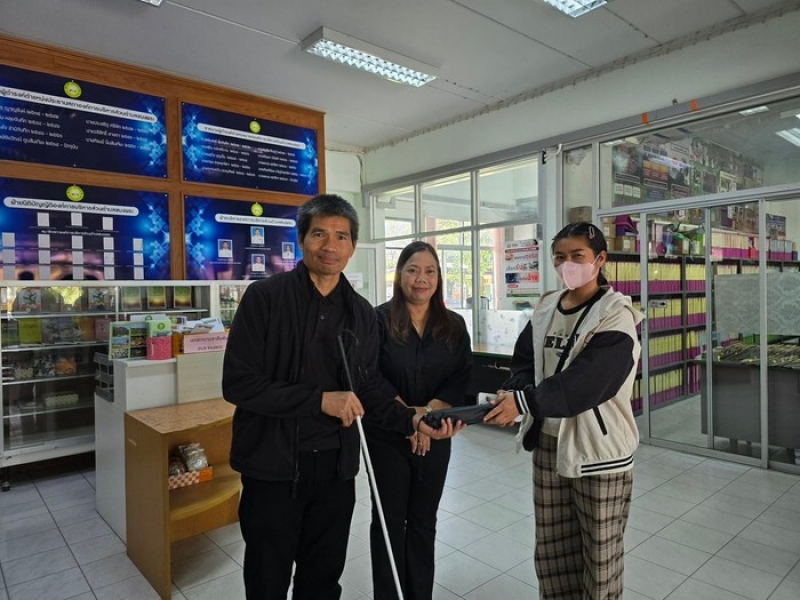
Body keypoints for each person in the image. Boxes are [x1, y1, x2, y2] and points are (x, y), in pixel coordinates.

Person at [222, 194, 464, 600]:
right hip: (272, 465)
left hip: (335, 469)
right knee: (267, 578)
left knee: (322, 579)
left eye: (341, 236)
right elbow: (238, 384)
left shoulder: (362, 314)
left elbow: (368, 388)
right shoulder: (264, 298)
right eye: (319, 234)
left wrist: (412, 420)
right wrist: (319, 399)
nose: (330, 246)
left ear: (352, 246)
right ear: (302, 239)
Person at [484, 221, 642, 600]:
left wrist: (525, 402)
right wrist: (515, 392)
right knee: (553, 552)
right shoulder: (546, 307)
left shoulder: (616, 313)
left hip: (599, 452)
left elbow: (589, 382)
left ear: (599, 259)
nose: (567, 264)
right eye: (559, 257)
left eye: (577, 256)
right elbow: (525, 362)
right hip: (549, 445)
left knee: (599, 558)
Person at [365, 241, 472, 600]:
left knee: (424, 521)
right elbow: (373, 378)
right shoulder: (377, 320)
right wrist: (410, 420)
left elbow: (460, 379)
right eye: (412, 270)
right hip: (387, 436)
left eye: (429, 271)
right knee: (389, 522)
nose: (421, 278)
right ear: (399, 275)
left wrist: (427, 418)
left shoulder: (453, 325)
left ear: (438, 277)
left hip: (436, 436)